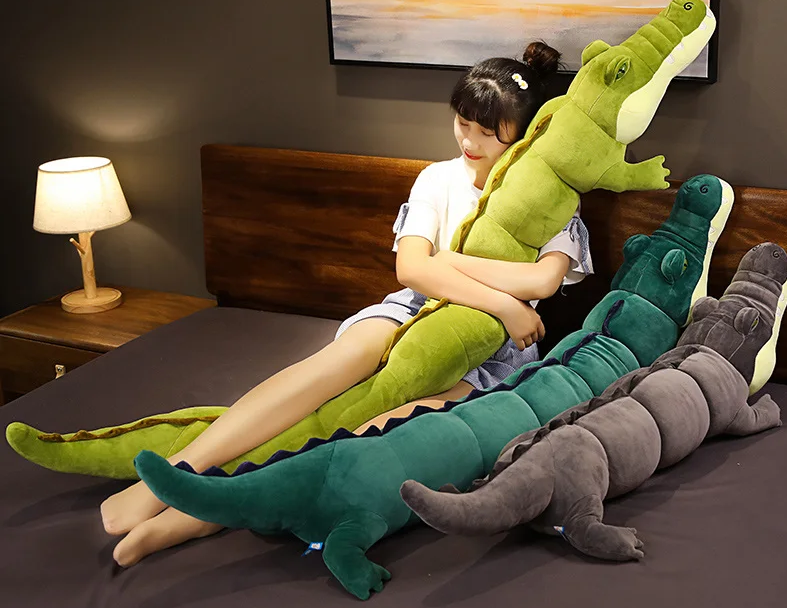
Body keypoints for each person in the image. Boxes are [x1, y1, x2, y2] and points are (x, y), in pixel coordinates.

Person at [103, 40, 593, 567]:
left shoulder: (551, 201)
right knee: (326, 371)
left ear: (523, 135)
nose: (470, 141)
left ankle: (195, 517)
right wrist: (505, 302)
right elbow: (413, 270)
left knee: (376, 431)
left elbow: (543, 281)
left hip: (492, 352)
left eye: (488, 132)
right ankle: (175, 473)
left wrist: (451, 266)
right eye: (463, 123)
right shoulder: (439, 178)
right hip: (414, 307)